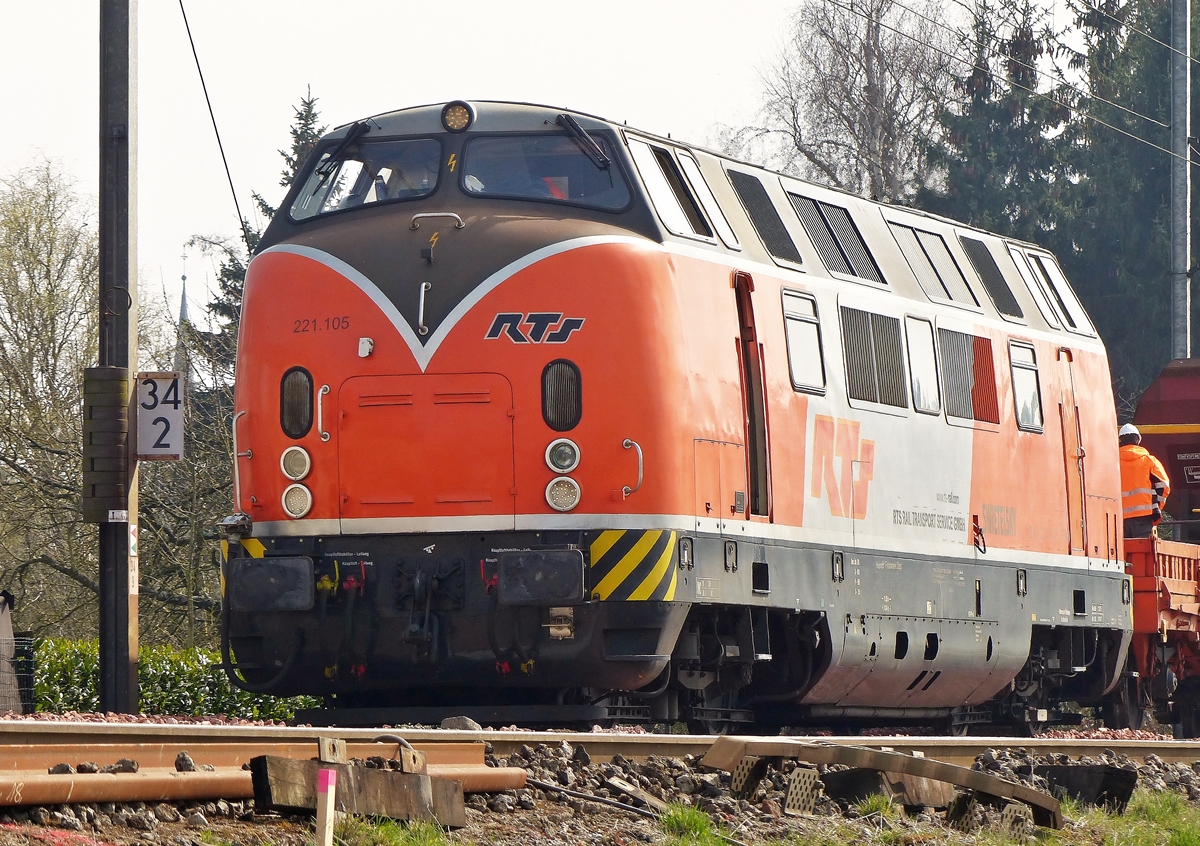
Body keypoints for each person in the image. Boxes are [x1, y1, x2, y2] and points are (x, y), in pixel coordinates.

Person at [1119, 423, 1171, 538]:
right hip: (1143, 518)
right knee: (1142, 552)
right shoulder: (1149, 461)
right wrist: (1157, 507)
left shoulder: (1113, 462)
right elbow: (1164, 485)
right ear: (1138, 440)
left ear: (1120, 441)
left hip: (1118, 519)